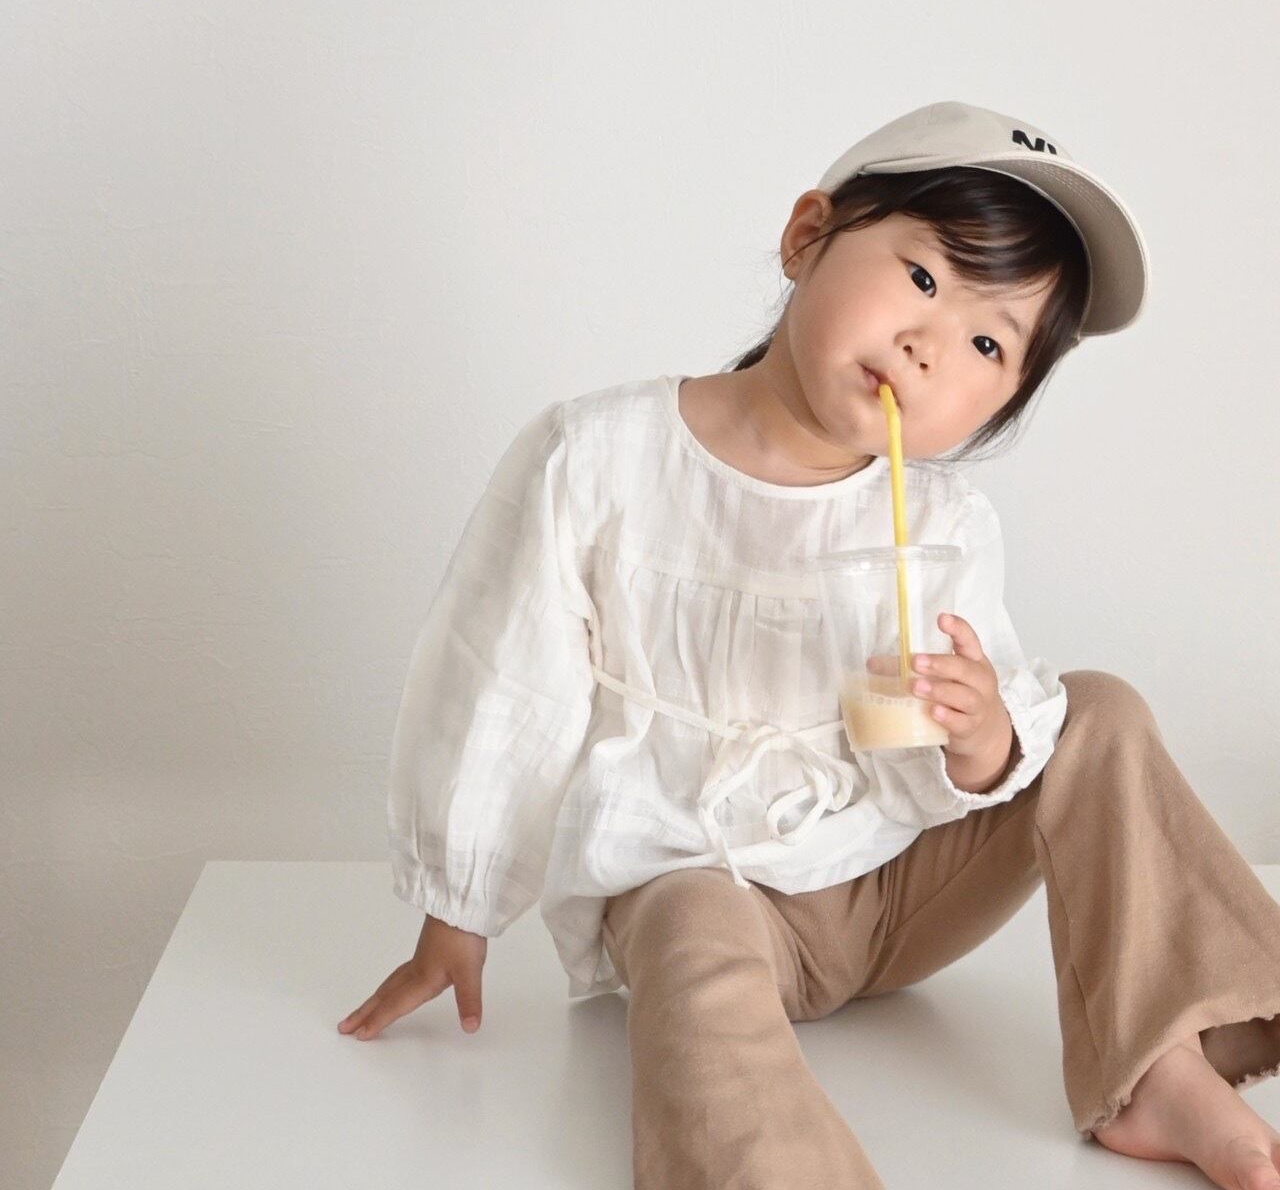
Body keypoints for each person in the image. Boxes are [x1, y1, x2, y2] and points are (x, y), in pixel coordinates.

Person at [338, 101, 1280, 1189]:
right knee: (690, 921)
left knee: (1096, 708)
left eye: (988, 344)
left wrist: (978, 737)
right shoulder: (598, 460)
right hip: (706, 884)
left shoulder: (941, 525)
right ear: (805, 238)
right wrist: (457, 909)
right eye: (922, 277)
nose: (931, 346)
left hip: (893, 892)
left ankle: (1156, 1063)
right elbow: (503, 681)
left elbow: (973, 768)